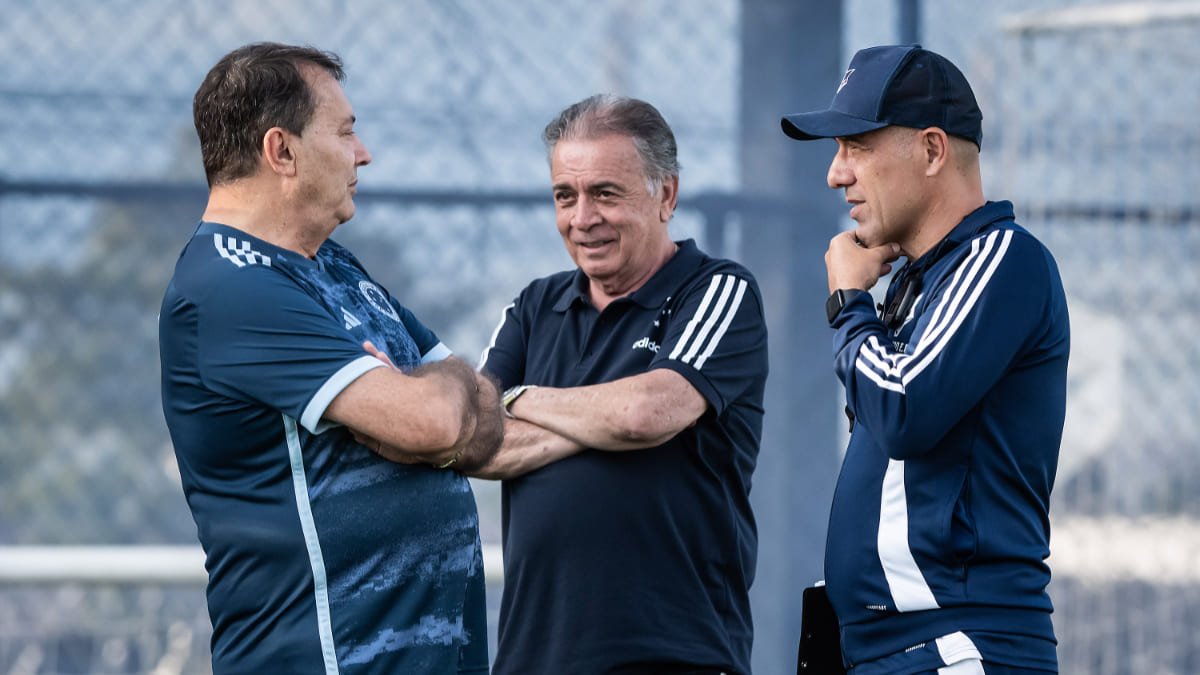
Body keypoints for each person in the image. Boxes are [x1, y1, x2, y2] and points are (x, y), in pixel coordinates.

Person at [158, 42, 503, 674]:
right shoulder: (230, 288)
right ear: (281, 151)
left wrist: (434, 395)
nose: (363, 153)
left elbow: (481, 413)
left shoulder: (336, 267)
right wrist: (434, 407)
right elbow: (441, 423)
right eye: (345, 132)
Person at [780, 45, 1069, 674]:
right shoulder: (921, 280)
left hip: (960, 646)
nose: (835, 174)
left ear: (933, 150)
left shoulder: (1002, 257)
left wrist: (849, 300)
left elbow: (904, 407)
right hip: (894, 650)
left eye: (855, 146)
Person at [471, 94, 770, 675]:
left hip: (675, 657)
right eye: (565, 196)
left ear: (667, 196)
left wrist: (519, 399)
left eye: (605, 193)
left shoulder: (718, 292)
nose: (583, 218)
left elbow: (645, 414)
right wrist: (597, 421)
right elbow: (471, 436)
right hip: (533, 660)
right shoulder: (535, 306)